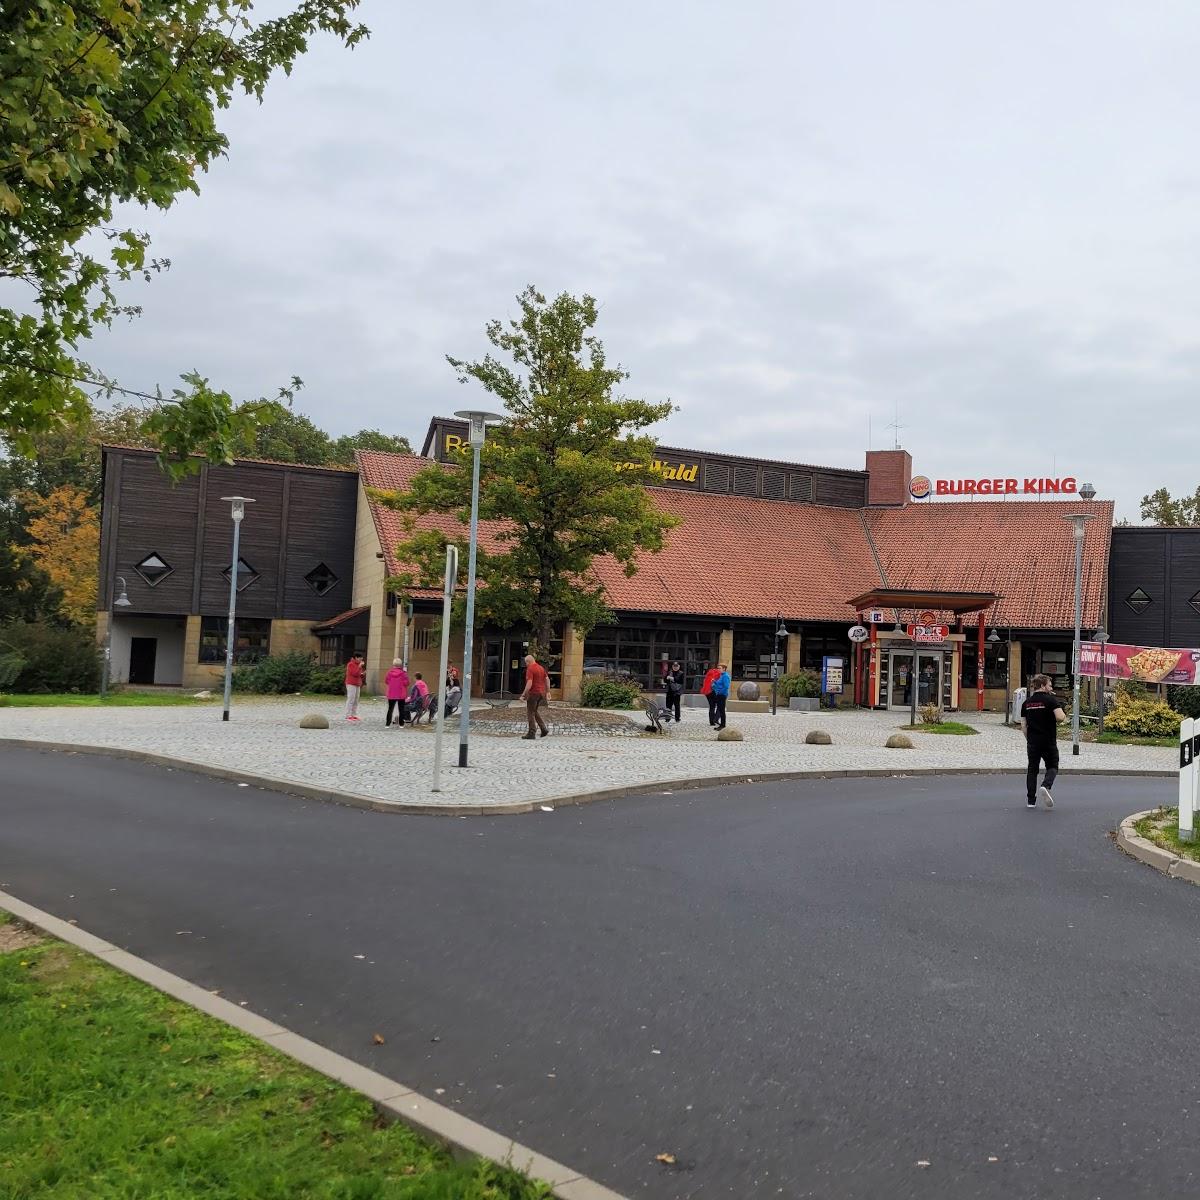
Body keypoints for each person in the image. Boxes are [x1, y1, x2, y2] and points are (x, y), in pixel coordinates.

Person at [1020, 673, 1067, 808]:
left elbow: (1023, 726)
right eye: (1050, 685)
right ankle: (1046, 785)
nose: (1051, 687)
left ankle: (1030, 801)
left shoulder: (1026, 703)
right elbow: (1060, 717)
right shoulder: (1051, 700)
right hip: (1048, 740)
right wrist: (1062, 713)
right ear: (1043, 685)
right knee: (1053, 765)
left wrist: (1029, 739)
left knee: (1032, 769)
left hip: (1033, 741)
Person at [520, 652, 550, 740]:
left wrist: (523, 694)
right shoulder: (541, 668)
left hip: (533, 693)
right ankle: (544, 729)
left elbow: (529, 683)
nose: (526, 665)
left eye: (526, 663)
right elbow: (547, 679)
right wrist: (548, 691)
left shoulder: (530, 669)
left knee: (530, 713)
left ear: (528, 662)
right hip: (541, 693)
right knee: (534, 711)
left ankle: (531, 733)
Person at [384, 658, 409, 727]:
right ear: (400, 665)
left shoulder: (389, 673)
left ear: (393, 664)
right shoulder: (403, 673)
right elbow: (407, 683)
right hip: (401, 693)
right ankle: (401, 724)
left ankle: (387, 724)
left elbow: (386, 681)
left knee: (390, 709)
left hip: (391, 693)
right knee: (401, 709)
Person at [344, 652, 365, 722]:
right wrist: (359, 667)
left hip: (357, 684)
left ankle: (353, 714)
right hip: (351, 684)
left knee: (356, 700)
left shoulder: (359, 665)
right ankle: (348, 715)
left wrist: (362, 674)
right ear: (356, 657)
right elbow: (354, 673)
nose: (361, 660)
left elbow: (358, 674)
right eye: (360, 658)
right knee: (351, 699)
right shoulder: (350, 664)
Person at [710, 663, 731, 730]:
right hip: (719, 694)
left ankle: (723, 725)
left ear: (724, 669)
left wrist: (719, 692)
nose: (718, 669)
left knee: (722, 710)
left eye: (719, 668)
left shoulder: (725, 676)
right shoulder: (721, 676)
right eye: (718, 668)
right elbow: (719, 684)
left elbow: (726, 687)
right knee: (720, 709)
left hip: (722, 695)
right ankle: (721, 725)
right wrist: (714, 682)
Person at [700, 663, 721, 727]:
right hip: (713, 691)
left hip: (707, 692)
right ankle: (716, 719)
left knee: (712, 706)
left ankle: (711, 722)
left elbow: (705, 682)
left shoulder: (709, 673)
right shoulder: (719, 674)